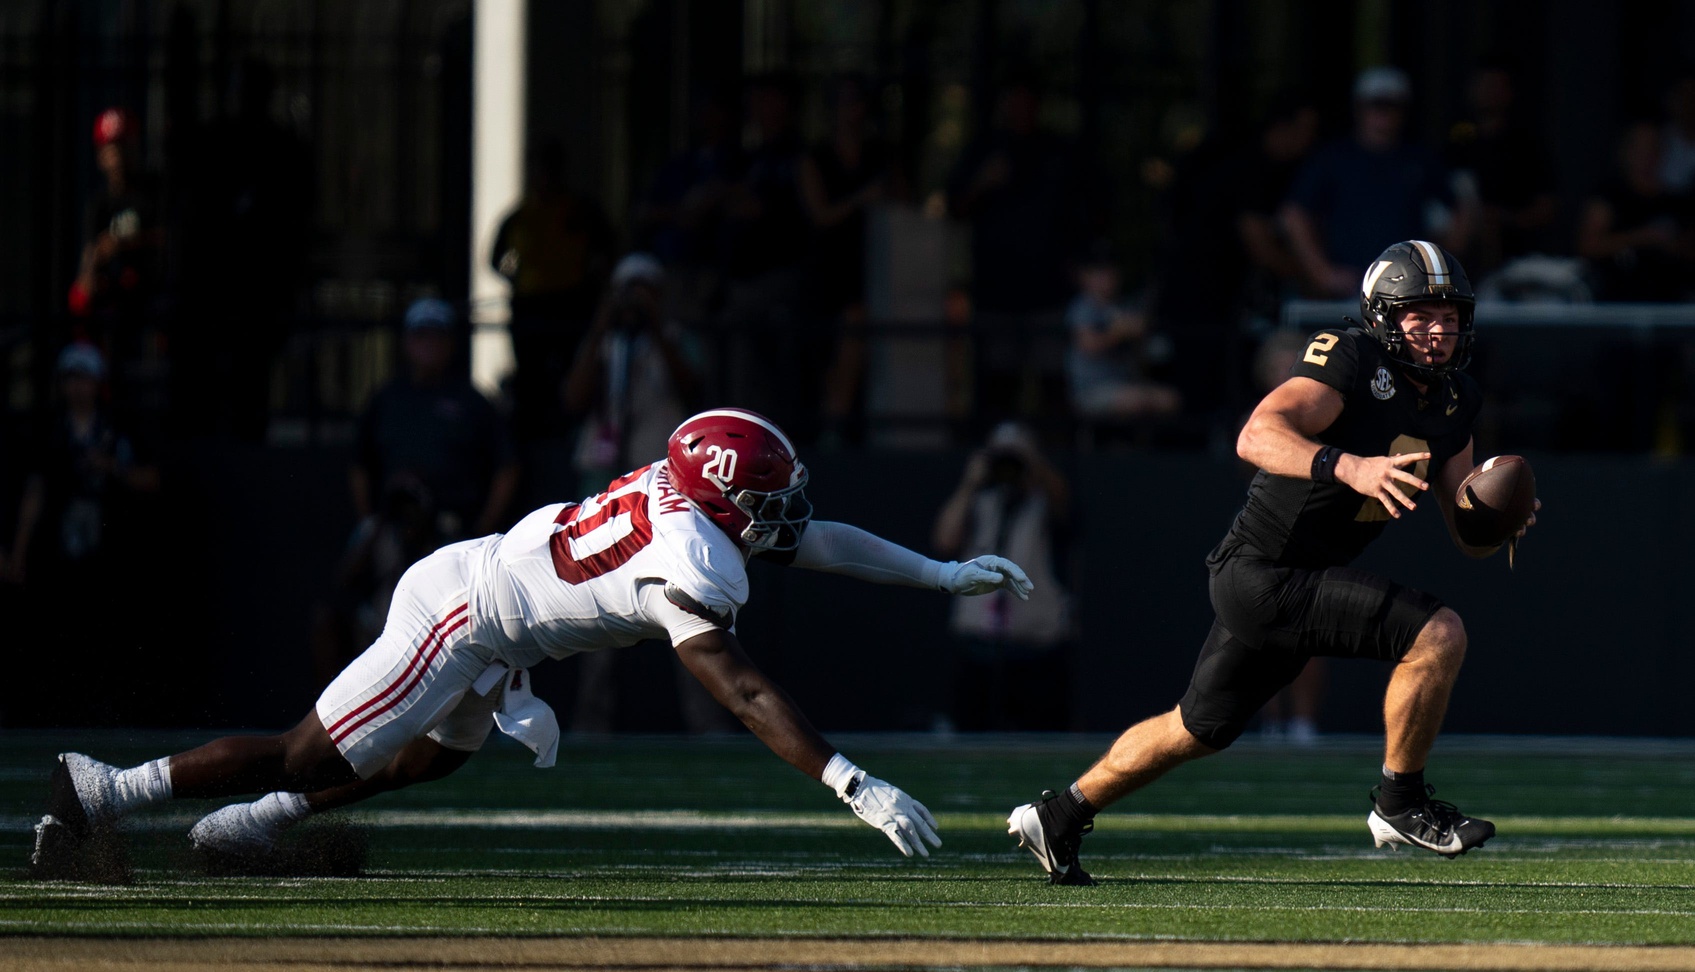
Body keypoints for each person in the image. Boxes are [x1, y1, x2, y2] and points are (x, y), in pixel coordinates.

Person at [32, 408, 1035, 876]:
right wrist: (850, 783)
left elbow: (809, 538)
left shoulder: (689, 498)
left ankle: (261, 821)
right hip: (463, 616)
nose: (786, 512)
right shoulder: (693, 556)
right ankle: (107, 790)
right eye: (765, 497)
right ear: (723, 498)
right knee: (314, 746)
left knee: (426, 761)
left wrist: (941, 572)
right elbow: (740, 690)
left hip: (500, 601)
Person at [1007, 241, 1539, 885]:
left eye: (1448, 315)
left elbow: (1466, 533)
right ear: (1381, 316)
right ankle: (1400, 802)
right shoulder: (1348, 357)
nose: (1438, 329)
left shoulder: (1458, 400)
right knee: (1437, 634)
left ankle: (1058, 815)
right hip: (1264, 571)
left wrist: (1497, 520)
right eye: (1419, 314)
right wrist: (1349, 465)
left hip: (1291, 579)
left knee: (1193, 729)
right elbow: (1255, 434)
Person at [1283, 68, 1473, 298]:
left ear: (1404, 109)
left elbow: (1461, 206)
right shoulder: (1333, 159)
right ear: (1359, 108)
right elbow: (1295, 214)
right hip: (1349, 289)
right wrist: (1322, 272)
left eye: (1391, 105)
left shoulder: (1420, 159)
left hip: (1410, 289)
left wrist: (1442, 269)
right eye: (1375, 104)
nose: (1383, 113)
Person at [932, 422, 1073, 731]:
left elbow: (1063, 501)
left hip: (1035, 650)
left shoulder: (1044, 502)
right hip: (977, 647)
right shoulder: (980, 502)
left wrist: (1030, 462)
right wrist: (970, 483)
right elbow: (944, 540)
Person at [351, 298, 520, 544]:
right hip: (391, 529)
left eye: (437, 336)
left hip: (453, 533)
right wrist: (368, 522)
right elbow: (359, 464)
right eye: (421, 335)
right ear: (406, 341)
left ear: (452, 343)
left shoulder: (474, 402)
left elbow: (507, 467)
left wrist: (483, 530)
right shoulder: (385, 400)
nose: (429, 344)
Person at [1065, 243, 1181, 422]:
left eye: (1110, 272)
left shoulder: (1123, 306)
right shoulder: (1083, 307)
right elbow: (1088, 343)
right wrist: (1119, 332)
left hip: (1126, 383)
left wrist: (1138, 331)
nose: (1107, 277)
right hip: (1092, 390)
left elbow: (1145, 339)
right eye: (1099, 272)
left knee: (1169, 399)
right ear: (1084, 276)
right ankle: (1121, 445)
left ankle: (1144, 447)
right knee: (1137, 401)